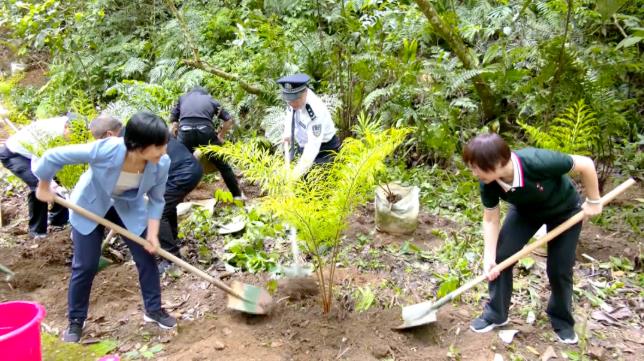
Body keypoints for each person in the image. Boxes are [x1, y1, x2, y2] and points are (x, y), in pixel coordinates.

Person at [33, 112, 177, 343]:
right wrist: (43, 185)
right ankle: (76, 321)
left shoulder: (161, 163)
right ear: (138, 146)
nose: (164, 151)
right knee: (86, 265)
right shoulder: (106, 150)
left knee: (146, 257)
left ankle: (154, 310)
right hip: (91, 204)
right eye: (159, 146)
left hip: (127, 208)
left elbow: (157, 200)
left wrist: (152, 235)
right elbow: (53, 156)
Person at [462, 133, 602, 344]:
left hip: (564, 210)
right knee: (501, 258)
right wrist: (488, 257)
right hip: (526, 211)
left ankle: (562, 320)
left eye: (476, 167)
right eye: (471, 167)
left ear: (499, 162)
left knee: (560, 268)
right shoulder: (488, 181)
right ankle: (496, 314)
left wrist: (594, 200)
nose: (474, 173)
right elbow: (491, 219)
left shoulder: (537, 161)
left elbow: (585, 164)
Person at [89, 114, 203, 273]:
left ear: (109, 134)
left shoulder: (124, 144)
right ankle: (172, 242)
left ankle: (171, 258)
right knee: (166, 206)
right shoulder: (135, 132)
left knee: (158, 211)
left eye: (99, 140)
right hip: (190, 168)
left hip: (181, 172)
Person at [0, 115, 72, 238]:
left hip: (34, 155)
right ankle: (37, 231)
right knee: (38, 187)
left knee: (62, 181)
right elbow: (38, 167)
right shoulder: (48, 135)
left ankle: (57, 220)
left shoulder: (66, 128)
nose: (72, 137)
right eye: (73, 132)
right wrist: (50, 185)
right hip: (14, 155)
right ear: (67, 127)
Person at [169, 87, 242, 199]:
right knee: (224, 167)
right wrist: (220, 136)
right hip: (206, 133)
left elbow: (173, 123)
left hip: (185, 132)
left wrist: (176, 134)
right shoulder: (211, 100)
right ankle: (237, 197)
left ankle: (174, 198)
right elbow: (229, 120)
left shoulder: (183, 98)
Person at [277, 73, 340, 178]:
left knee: (316, 185)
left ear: (305, 92)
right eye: (289, 100)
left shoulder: (315, 110)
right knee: (301, 182)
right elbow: (289, 114)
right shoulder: (293, 101)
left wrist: (294, 175)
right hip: (304, 145)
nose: (292, 103)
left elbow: (312, 147)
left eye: (295, 100)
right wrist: (287, 133)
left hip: (324, 150)